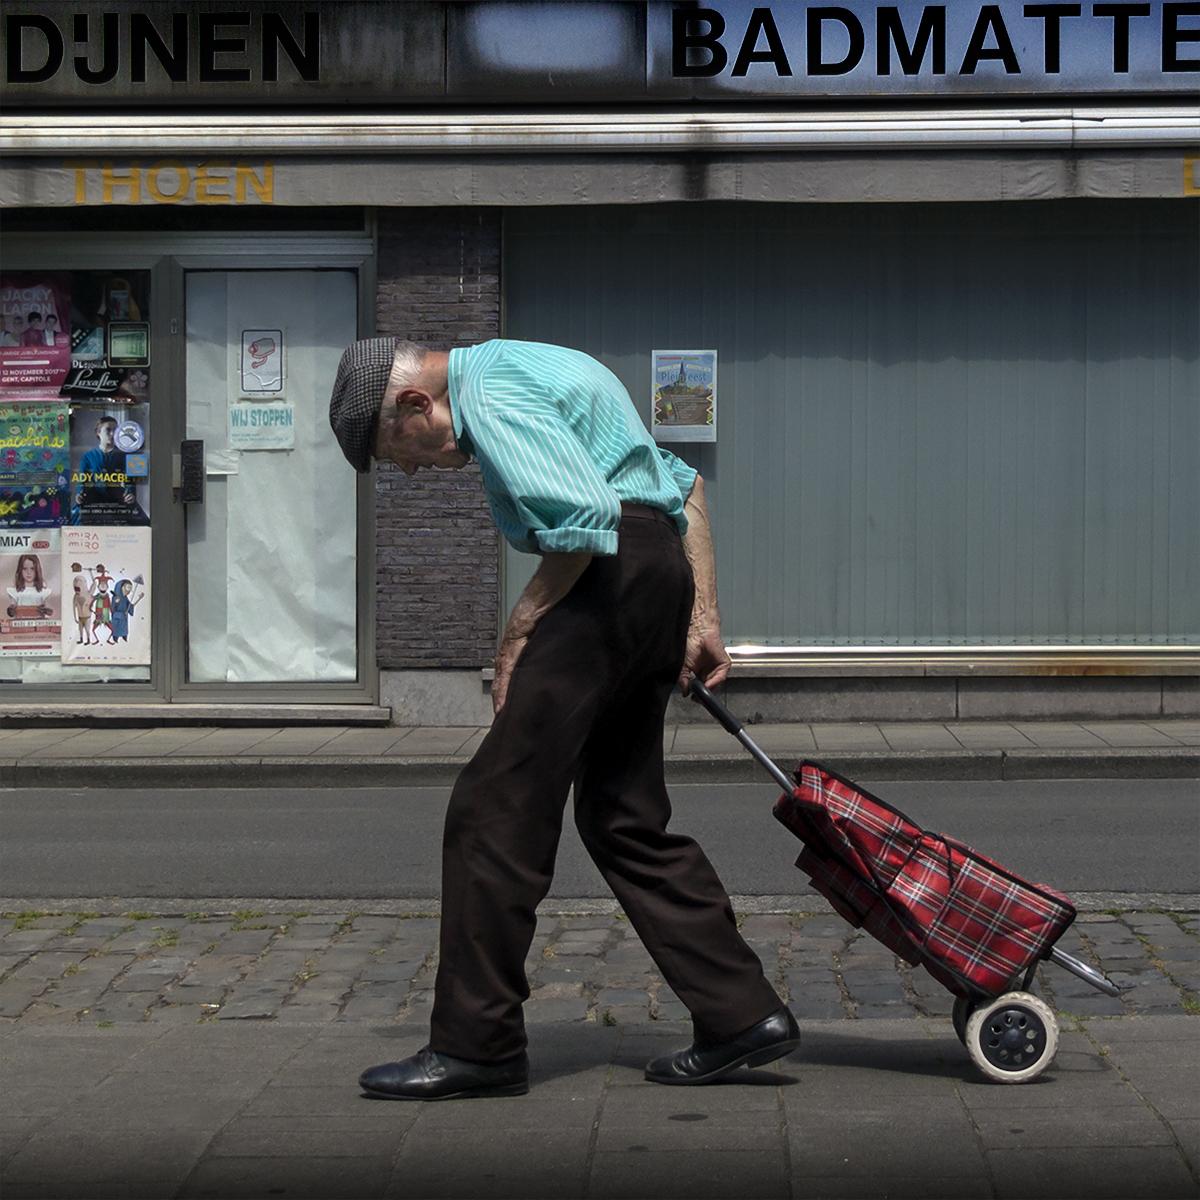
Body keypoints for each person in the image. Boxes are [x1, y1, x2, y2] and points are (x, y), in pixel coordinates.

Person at [328, 338, 797, 1102]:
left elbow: (585, 515)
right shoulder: (528, 366)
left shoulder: (489, 390)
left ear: (416, 403)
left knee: (492, 810)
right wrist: (700, 613)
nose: (408, 471)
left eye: (394, 450)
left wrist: (518, 630)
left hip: (608, 578)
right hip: (656, 573)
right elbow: (682, 485)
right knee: (622, 814)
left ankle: (476, 1045)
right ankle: (741, 1013)